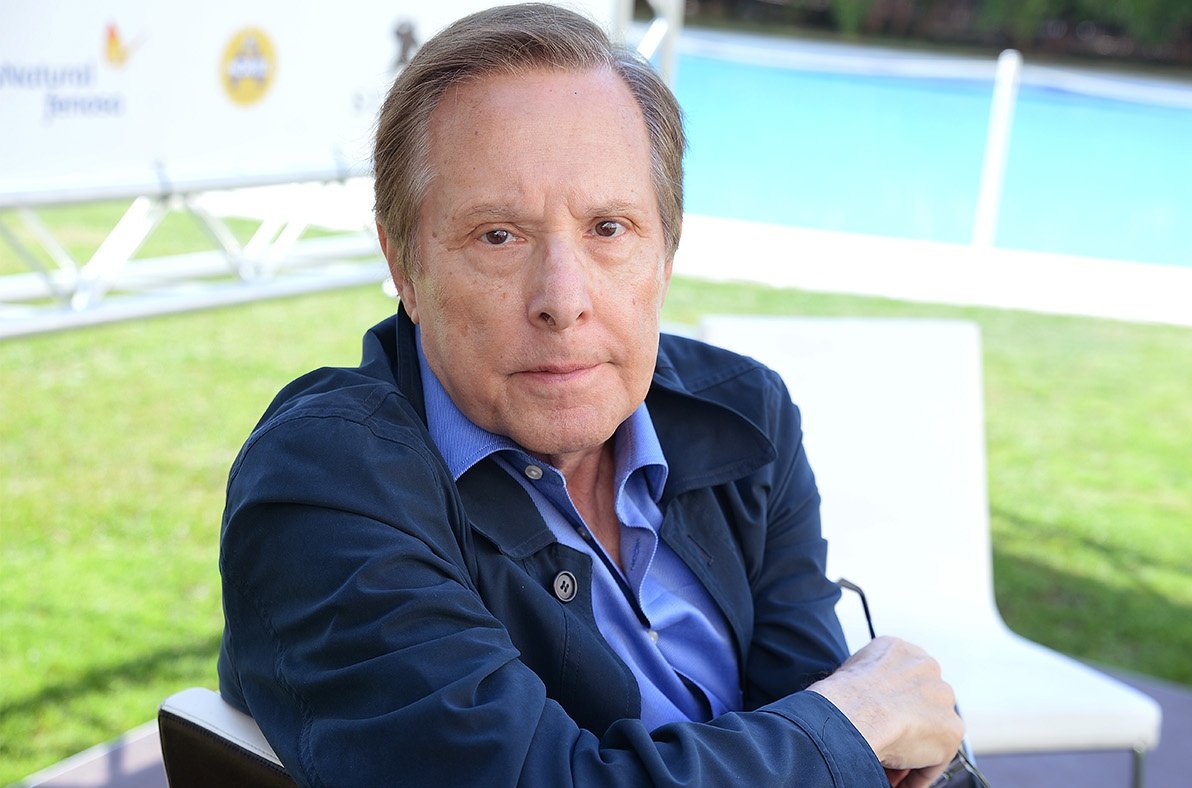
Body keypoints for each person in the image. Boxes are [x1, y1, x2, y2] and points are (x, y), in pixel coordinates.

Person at [217, 4, 965, 785]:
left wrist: (855, 733)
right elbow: (838, 729)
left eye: (609, 228)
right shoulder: (326, 483)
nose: (562, 299)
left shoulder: (746, 419)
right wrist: (862, 719)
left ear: (666, 254)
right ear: (404, 265)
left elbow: (844, 746)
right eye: (498, 235)